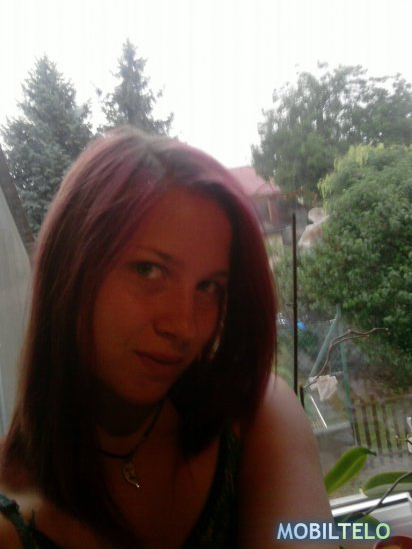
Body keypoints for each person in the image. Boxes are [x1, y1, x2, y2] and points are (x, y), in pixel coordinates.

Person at [0, 127, 337, 548]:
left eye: (209, 287)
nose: (184, 326)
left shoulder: (255, 416)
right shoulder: (13, 522)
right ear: (70, 269)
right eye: (148, 270)